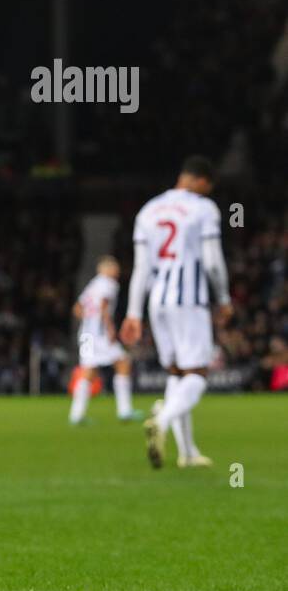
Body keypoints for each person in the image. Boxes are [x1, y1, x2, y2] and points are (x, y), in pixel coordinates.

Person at [120, 156, 232, 468]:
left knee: (177, 373)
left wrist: (133, 313)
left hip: (157, 301)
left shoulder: (148, 210)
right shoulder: (203, 208)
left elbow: (141, 268)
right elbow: (211, 260)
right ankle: (163, 418)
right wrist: (223, 297)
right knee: (197, 374)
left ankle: (187, 452)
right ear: (200, 181)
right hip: (188, 300)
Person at [67, 256, 143, 424]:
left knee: (87, 371)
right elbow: (103, 306)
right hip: (100, 335)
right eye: (114, 268)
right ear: (107, 269)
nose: (117, 271)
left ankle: (76, 415)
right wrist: (110, 329)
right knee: (123, 362)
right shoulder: (109, 284)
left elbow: (77, 309)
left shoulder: (92, 285)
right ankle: (125, 410)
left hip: (86, 334)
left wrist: (89, 319)